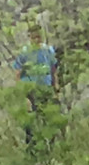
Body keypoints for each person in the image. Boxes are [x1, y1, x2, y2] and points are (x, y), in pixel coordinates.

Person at [12, 25, 58, 157]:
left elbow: (53, 69)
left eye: (38, 36)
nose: (36, 40)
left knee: (49, 118)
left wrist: (56, 88)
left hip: (46, 88)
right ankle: (32, 151)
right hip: (30, 89)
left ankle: (50, 150)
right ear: (29, 38)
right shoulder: (25, 53)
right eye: (33, 37)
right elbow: (18, 73)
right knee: (31, 121)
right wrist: (23, 95)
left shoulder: (48, 50)